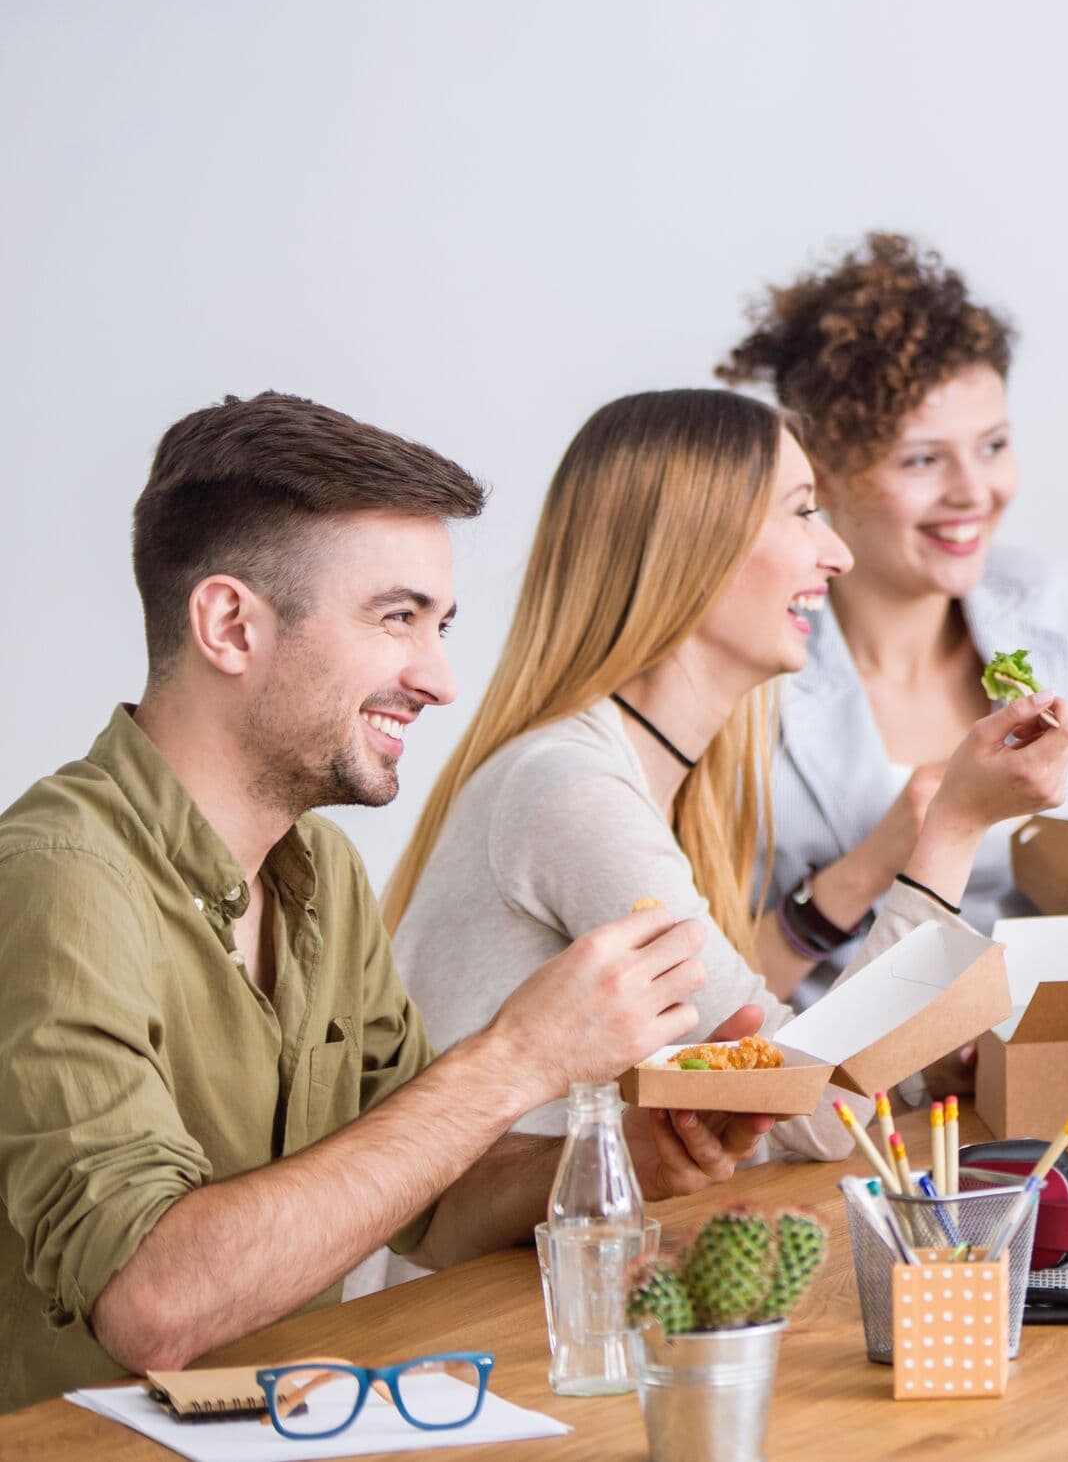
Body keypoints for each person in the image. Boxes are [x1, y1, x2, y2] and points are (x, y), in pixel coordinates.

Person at [0, 395, 767, 1413]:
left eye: (439, 627)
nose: (439, 680)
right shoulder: (58, 879)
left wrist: (623, 1150)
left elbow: (431, 1206)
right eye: (397, 618)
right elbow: (153, 1305)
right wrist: (520, 1056)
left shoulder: (320, 871)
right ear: (230, 625)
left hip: (312, 1421)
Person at [382, 390, 1060, 1162]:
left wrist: (919, 1066)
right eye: (802, 512)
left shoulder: (652, 782)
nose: (837, 555)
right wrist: (956, 826)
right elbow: (808, 1108)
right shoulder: (573, 790)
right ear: (691, 547)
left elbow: (761, 1067)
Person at [717, 233, 1068, 992]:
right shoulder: (748, 668)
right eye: (922, 459)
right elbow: (716, 993)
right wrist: (879, 859)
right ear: (823, 474)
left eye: (993, 445)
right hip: (844, 1060)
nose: (975, 492)